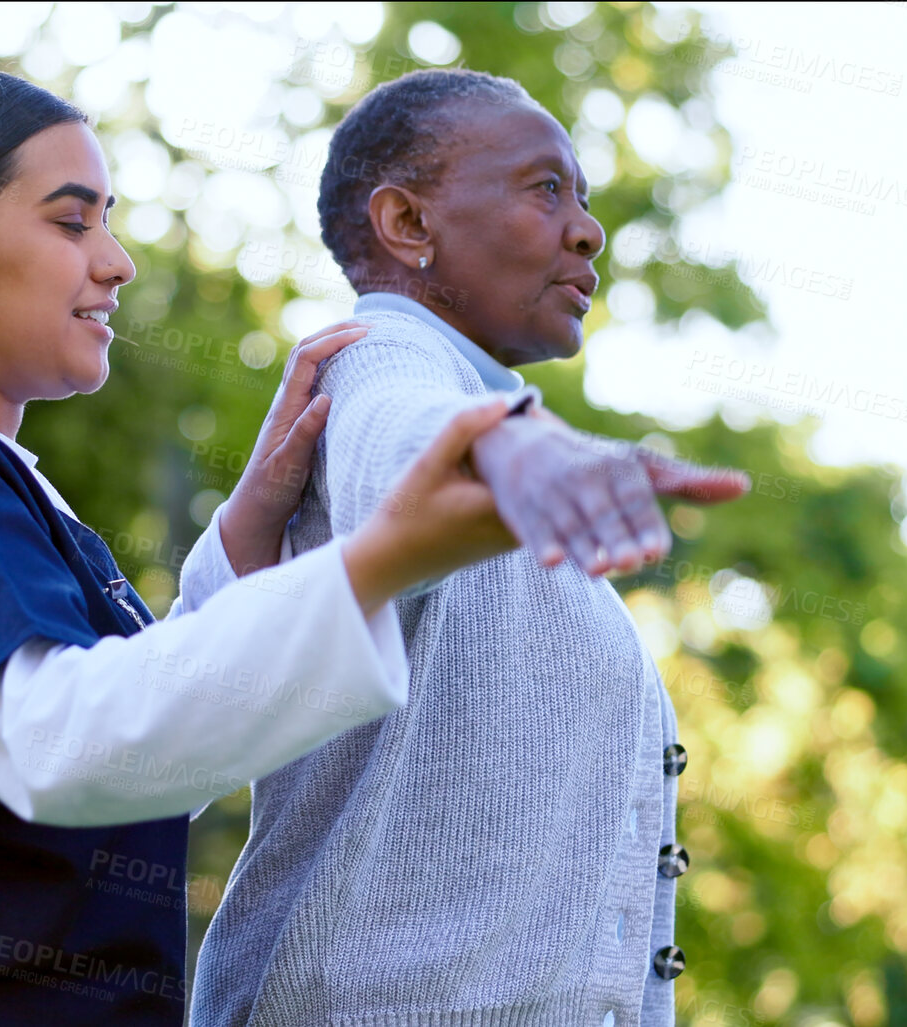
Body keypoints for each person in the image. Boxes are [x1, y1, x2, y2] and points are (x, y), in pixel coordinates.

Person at [0, 66, 532, 1026]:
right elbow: (61, 747)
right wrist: (388, 556)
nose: (117, 260)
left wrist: (244, 537)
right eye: (70, 221)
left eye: (108, 220)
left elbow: (125, 739)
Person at [190, 69, 752, 1027]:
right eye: (544, 188)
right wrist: (498, 442)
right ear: (407, 224)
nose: (587, 229)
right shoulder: (372, 359)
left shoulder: (473, 420)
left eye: (583, 197)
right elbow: (398, 443)